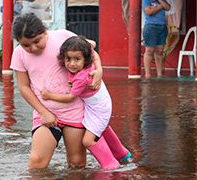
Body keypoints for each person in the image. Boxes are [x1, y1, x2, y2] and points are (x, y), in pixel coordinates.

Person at [10, 13, 103, 169]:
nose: (32, 48)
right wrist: (43, 112)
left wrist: (99, 70)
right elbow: (24, 87)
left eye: (37, 41)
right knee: (37, 162)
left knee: (77, 163)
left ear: (45, 31)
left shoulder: (63, 37)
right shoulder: (19, 53)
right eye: (26, 45)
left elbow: (91, 54)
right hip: (45, 113)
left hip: (74, 112)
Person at [41, 36, 132, 170]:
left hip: (99, 108)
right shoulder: (85, 60)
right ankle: (122, 154)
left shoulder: (82, 77)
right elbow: (92, 47)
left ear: (85, 59)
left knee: (88, 140)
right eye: (68, 59)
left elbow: (70, 97)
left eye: (77, 59)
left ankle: (111, 165)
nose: (72, 64)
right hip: (98, 103)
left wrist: (49, 95)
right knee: (101, 128)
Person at [142, 0, 171, 78]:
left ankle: (159, 74)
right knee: (149, 50)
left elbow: (167, 7)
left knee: (159, 51)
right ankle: (147, 74)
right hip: (151, 27)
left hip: (162, 26)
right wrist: (159, 6)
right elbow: (149, 12)